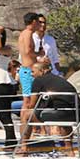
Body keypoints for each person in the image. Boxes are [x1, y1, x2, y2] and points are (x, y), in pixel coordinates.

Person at [17, 12, 46, 147]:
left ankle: (30, 126)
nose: (40, 25)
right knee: (28, 102)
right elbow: (28, 51)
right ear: (33, 21)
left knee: (28, 101)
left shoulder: (23, 33)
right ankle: (27, 127)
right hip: (28, 70)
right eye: (38, 22)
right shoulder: (28, 34)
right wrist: (39, 54)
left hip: (27, 70)